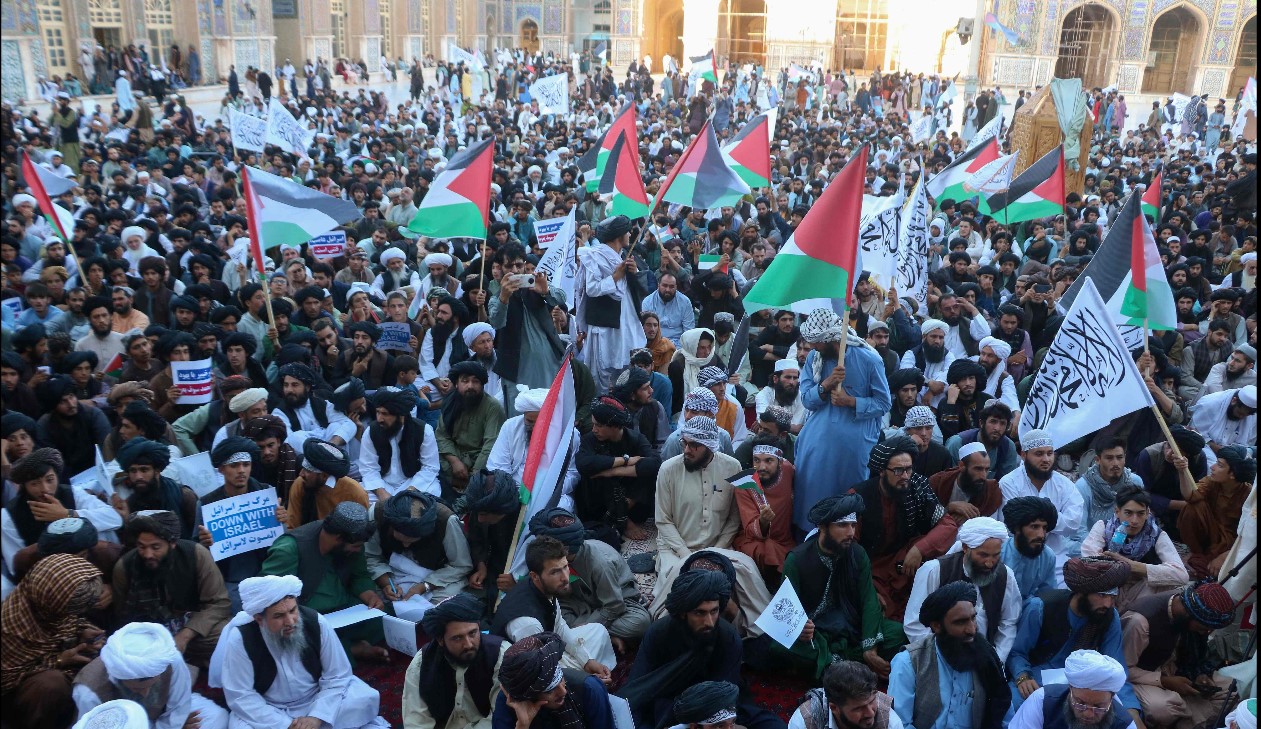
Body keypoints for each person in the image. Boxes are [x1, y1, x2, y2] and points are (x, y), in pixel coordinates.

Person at [210, 574, 387, 729]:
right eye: (279, 616)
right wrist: (285, 725)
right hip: (269, 708)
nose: (290, 621)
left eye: (293, 610)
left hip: (317, 698)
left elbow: (337, 675)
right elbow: (241, 696)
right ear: (259, 619)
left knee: (365, 698)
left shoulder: (314, 621)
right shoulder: (241, 638)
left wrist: (317, 717)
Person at [650, 415, 772, 633]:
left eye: (694, 445)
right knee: (675, 591)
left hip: (720, 546)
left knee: (746, 577)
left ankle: (752, 633)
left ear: (710, 446)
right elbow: (663, 520)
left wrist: (717, 549)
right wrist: (687, 554)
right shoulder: (668, 469)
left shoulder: (731, 466)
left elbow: (734, 518)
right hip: (676, 548)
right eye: (684, 443)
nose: (687, 449)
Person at [623, 570, 786, 729]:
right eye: (699, 613)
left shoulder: (728, 637)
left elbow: (724, 690)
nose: (709, 622)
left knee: (771, 724)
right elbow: (639, 685)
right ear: (682, 613)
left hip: (716, 702)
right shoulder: (659, 633)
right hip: (669, 702)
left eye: (714, 611)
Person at [780, 494, 905, 679]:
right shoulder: (796, 560)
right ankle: (844, 665)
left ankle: (834, 665)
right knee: (780, 646)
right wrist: (799, 628)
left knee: (899, 633)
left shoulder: (857, 553)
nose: (850, 533)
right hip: (817, 633)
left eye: (853, 525)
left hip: (850, 626)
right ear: (822, 526)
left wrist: (870, 649)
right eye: (842, 525)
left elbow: (869, 599)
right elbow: (785, 611)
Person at [1006, 557, 1140, 721]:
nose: (1108, 604)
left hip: (1086, 683)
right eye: (1102, 595)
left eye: (1113, 596)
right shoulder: (1040, 607)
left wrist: (1131, 710)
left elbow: (1115, 667)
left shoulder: (1108, 617)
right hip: (1038, 677)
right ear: (1082, 591)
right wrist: (1023, 676)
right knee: (1013, 704)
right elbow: (1017, 652)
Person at [794, 308, 891, 533]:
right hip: (817, 440)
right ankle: (808, 537)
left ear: (829, 339)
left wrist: (851, 402)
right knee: (811, 492)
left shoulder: (869, 359)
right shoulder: (814, 358)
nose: (813, 347)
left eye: (816, 343)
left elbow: (883, 404)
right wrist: (826, 384)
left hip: (855, 443)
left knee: (848, 495)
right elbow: (808, 400)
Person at [258, 502, 387, 662]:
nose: (357, 550)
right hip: (304, 616)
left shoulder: (353, 543)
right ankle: (351, 649)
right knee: (293, 639)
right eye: (355, 547)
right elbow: (270, 597)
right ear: (339, 539)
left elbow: (359, 575)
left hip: (344, 609)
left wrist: (370, 596)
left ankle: (342, 646)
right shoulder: (289, 549)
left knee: (386, 617)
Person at [850, 435, 959, 619]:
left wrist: (919, 549)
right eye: (898, 470)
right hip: (871, 568)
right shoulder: (859, 496)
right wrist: (867, 589)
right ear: (882, 471)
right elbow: (849, 549)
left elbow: (947, 524)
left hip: (906, 562)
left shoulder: (917, 485)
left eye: (909, 469)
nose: (906, 476)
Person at [112, 511, 231, 668]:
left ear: (172, 543)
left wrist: (185, 635)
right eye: (142, 547)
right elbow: (121, 615)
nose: (147, 554)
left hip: (192, 625)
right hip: (150, 632)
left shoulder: (196, 554)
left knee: (228, 635)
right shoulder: (124, 567)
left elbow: (219, 603)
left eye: (155, 547)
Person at [489, 536, 616, 681]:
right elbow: (540, 671)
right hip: (525, 674)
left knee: (597, 630)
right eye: (555, 572)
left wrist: (587, 661)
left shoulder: (545, 588)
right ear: (535, 576)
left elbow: (560, 627)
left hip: (548, 648)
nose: (565, 578)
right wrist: (584, 678)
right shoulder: (527, 623)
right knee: (585, 681)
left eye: (565, 567)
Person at [0, 555, 105, 729]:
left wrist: (82, 632)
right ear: (53, 603)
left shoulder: (49, 602)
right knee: (51, 684)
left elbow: (68, 622)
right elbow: (6, 680)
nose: (72, 615)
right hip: (24, 698)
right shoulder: (9, 628)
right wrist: (59, 660)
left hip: (58, 666)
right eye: (68, 610)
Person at [888, 581, 1010, 729]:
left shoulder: (987, 657)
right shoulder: (909, 662)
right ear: (937, 626)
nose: (972, 630)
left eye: (973, 618)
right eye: (960, 622)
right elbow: (899, 724)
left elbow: (1005, 713)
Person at [529, 508, 651, 652]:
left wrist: (586, 626)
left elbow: (615, 606)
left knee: (640, 625)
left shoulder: (600, 562)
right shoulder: (558, 561)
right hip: (581, 601)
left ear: (565, 550)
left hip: (617, 601)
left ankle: (590, 632)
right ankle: (606, 636)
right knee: (557, 615)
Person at [903, 517, 1022, 662]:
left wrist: (996, 660)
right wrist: (942, 660)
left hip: (984, 660)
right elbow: (915, 624)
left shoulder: (1005, 575)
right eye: (983, 555)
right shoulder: (934, 571)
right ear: (966, 548)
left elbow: (1008, 622)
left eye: (996, 555)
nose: (990, 563)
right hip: (942, 659)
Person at [1121, 582, 1237, 728]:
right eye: (1203, 628)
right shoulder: (1139, 621)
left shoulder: (1186, 610)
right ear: (1188, 614)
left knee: (1232, 687)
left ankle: (1183, 719)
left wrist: (1200, 675)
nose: (1205, 633)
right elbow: (1123, 669)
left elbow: (1193, 656)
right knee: (1162, 709)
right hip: (1142, 676)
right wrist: (1165, 681)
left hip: (1174, 669)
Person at [72, 621, 229, 729]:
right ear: (120, 677)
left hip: (161, 717)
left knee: (216, 717)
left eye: (151, 685)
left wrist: (175, 724)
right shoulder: (89, 691)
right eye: (137, 688)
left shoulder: (168, 660)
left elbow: (179, 705)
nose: (146, 693)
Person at [2, 448, 123, 576]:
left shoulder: (72, 493)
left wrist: (67, 514)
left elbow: (115, 519)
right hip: (47, 576)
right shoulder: (8, 516)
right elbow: (16, 565)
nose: (45, 489)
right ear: (25, 486)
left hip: (90, 565)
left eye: (49, 480)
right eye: (35, 484)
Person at [403, 593, 507, 729]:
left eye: (472, 633)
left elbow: (501, 716)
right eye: (457, 638)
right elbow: (416, 720)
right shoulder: (423, 661)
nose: (468, 644)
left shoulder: (500, 654)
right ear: (441, 640)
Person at [1080, 486, 1187, 611]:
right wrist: (1120, 570)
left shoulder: (1156, 535)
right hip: (1108, 591)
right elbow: (1088, 561)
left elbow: (1182, 575)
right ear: (1117, 512)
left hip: (1142, 594)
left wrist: (1133, 566)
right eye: (1128, 513)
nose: (1134, 521)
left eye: (1140, 513)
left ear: (1148, 513)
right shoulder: (1103, 527)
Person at [998, 428, 1084, 582]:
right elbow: (1012, 523)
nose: (1046, 459)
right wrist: (1051, 517)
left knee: (1060, 598)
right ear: (1024, 455)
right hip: (1017, 556)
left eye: (1049, 453)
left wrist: (1034, 519)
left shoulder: (1064, 484)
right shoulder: (1009, 483)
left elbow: (1073, 523)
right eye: (1039, 454)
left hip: (1056, 557)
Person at [573, 396, 662, 544]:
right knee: (594, 475)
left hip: (632, 500)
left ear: (614, 426)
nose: (594, 429)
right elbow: (583, 463)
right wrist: (624, 460)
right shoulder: (590, 439)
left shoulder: (635, 438)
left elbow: (655, 463)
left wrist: (613, 471)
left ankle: (623, 515)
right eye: (593, 424)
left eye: (599, 425)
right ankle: (624, 521)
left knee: (649, 474)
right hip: (600, 505)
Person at [484, 386, 581, 515]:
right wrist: (518, 492)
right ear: (523, 415)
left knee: (561, 509)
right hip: (514, 491)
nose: (536, 427)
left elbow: (572, 474)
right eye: (530, 421)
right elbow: (497, 467)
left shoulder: (570, 435)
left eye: (542, 422)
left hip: (552, 493)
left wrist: (546, 491)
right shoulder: (510, 427)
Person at [577, 215, 647, 393]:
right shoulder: (595, 256)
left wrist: (633, 272)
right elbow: (592, 289)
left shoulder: (624, 256)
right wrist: (616, 276)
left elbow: (639, 288)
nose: (631, 234)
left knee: (624, 377)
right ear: (618, 235)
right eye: (627, 231)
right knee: (602, 380)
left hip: (625, 325)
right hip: (605, 328)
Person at [365, 489, 472, 602]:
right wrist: (385, 583)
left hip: (437, 575)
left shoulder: (446, 521)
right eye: (401, 539)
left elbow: (461, 565)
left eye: (412, 541)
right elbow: (371, 556)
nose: (406, 546)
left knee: (445, 602)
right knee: (371, 596)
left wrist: (425, 586)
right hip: (390, 571)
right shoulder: (377, 514)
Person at [493, 632, 615, 729]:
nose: (563, 692)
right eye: (550, 690)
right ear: (529, 695)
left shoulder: (590, 688)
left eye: (560, 679)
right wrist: (523, 725)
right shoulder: (511, 700)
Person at [1178, 445, 1256, 578]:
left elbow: (1249, 533)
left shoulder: (1249, 494)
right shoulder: (1211, 482)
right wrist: (1182, 471)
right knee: (1193, 506)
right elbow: (1190, 496)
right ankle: (1195, 553)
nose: (1212, 467)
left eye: (1219, 465)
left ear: (1232, 474)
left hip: (1230, 544)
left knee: (1210, 568)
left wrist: (1226, 556)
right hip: (1209, 533)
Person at [1008, 650, 1136, 729]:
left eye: (1098, 707)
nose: (1088, 714)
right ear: (1070, 689)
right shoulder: (1042, 701)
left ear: (1112, 698)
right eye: (1080, 703)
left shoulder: (1125, 724)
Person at [436, 361, 505, 497]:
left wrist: (475, 476)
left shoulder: (492, 407)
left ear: (482, 384)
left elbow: (490, 445)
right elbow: (442, 436)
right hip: (452, 459)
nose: (470, 386)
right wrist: (455, 462)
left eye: (475, 381)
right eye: (465, 381)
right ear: (456, 383)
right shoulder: (449, 403)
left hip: (479, 462)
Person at [359, 387, 441, 499]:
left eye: (385, 414)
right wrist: (382, 494)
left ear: (401, 415)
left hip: (413, 484)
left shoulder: (424, 430)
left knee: (432, 491)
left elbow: (430, 467)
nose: (379, 419)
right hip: (382, 485)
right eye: (378, 412)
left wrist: (409, 491)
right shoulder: (371, 431)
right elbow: (368, 468)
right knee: (359, 495)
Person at [733, 440, 796, 582]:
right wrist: (763, 521)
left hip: (785, 540)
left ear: (780, 462)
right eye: (756, 460)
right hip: (754, 541)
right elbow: (749, 528)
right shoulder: (744, 485)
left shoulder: (788, 471)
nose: (762, 467)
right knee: (763, 550)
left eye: (769, 461)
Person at [788, 660, 903, 729]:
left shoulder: (890, 722)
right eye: (859, 708)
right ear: (834, 708)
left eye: (872, 701)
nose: (870, 713)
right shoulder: (804, 722)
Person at [272, 362, 356, 453]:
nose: (289, 390)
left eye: (295, 385)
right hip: (303, 460)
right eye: (286, 385)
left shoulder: (321, 404)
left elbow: (348, 424)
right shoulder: (279, 413)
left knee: (335, 427)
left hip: (331, 453)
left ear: (307, 387)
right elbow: (290, 442)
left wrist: (332, 444)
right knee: (295, 437)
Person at [286, 438, 368, 528]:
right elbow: (292, 527)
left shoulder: (355, 493)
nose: (301, 474)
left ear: (324, 476)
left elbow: (360, 532)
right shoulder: (300, 484)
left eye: (307, 470)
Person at [1075, 439, 1146, 539]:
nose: (1116, 463)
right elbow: (1080, 530)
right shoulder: (1083, 487)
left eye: (1119, 457)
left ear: (1125, 458)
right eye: (1109, 458)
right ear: (1098, 459)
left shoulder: (1135, 482)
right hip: (1092, 542)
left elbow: (1142, 517)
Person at [928, 442, 1002, 525]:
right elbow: (926, 517)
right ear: (961, 465)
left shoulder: (992, 490)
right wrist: (949, 508)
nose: (983, 476)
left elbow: (991, 526)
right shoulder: (938, 482)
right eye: (978, 469)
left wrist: (970, 519)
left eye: (987, 470)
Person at [1000, 496, 1058, 601]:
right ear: (1017, 528)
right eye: (1034, 527)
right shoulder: (998, 553)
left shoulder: (1048, 557)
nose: (1041, 535)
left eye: (1044, 528)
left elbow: (1049, 596)